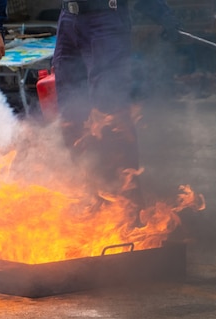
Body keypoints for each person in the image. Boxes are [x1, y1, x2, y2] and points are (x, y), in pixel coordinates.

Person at [52, 0, 180, 206]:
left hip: (105, 19)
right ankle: (90, 194)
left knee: (110, 113)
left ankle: (126, 200)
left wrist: (159, 10)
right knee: (71, 114)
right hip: (68, 19)